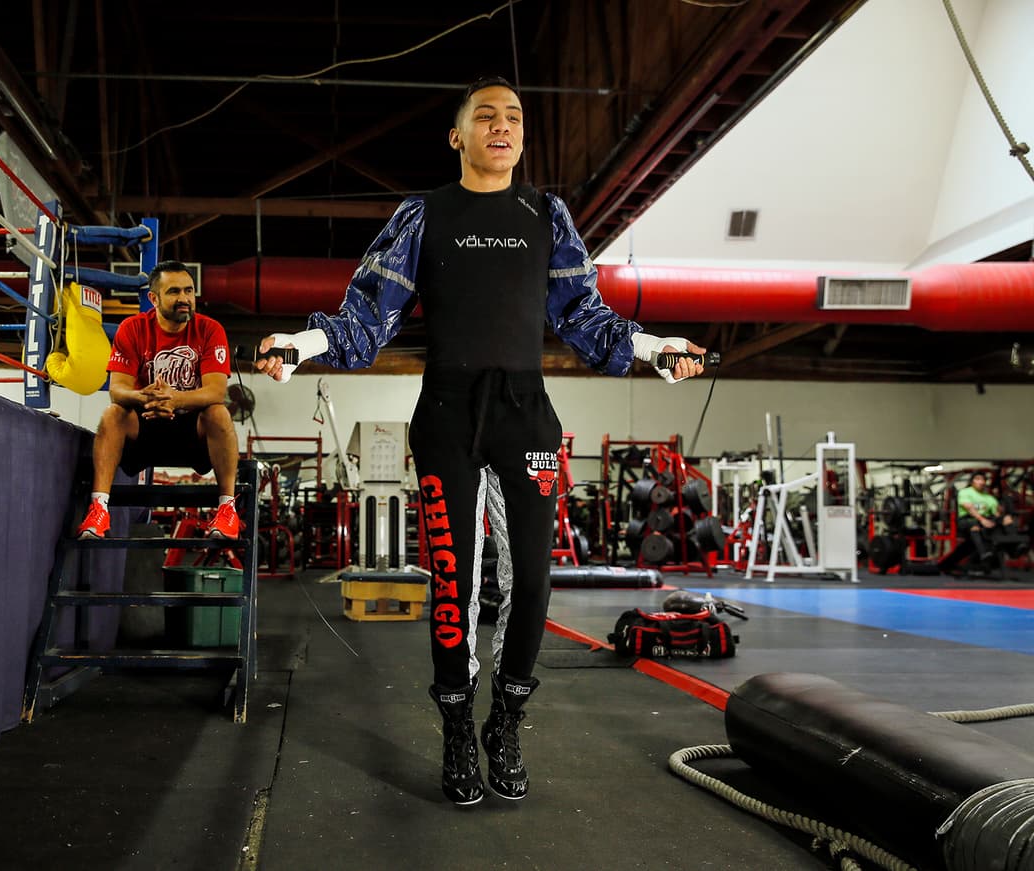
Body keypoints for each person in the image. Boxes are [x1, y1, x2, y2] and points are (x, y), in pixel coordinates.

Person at [255, 76, 706, 806]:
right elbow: (367, 318)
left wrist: (657, 348)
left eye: (515, 118)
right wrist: (302, 342)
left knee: (530, 579)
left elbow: (588, 319)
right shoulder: (423, 214)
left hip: (525, 414)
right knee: (454, 587)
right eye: (486, 116)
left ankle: (508, 718)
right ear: (457, 136)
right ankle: (459, 723)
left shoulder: (545, 214)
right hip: (447, 414)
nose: (503, 126)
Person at [77, 260, 241, 540]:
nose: (184, 299)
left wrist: (175, 399)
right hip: (147, 423)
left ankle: (227, 511)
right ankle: (99, 509)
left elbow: (215, 391)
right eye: (174, 292)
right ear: (153, 298)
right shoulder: (132, 328)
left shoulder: (210, 329)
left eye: (189, 291)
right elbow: (117, 390)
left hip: (193, 431)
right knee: (113, 414)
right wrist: (147, 397)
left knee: (219, 413)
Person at [951, 471, 1016, 569]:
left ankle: (1014, 547)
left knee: (1005, 520)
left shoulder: (988, 497)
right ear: (972, 481)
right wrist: (982, 520)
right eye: (978, 479)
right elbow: (969, 508)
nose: (981, 482)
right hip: (967, 520)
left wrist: (1004, 515)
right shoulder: (965, 492)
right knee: (974, 525)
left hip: (984, 520)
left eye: (983, 480)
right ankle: (984, 553)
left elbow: (996, 513)